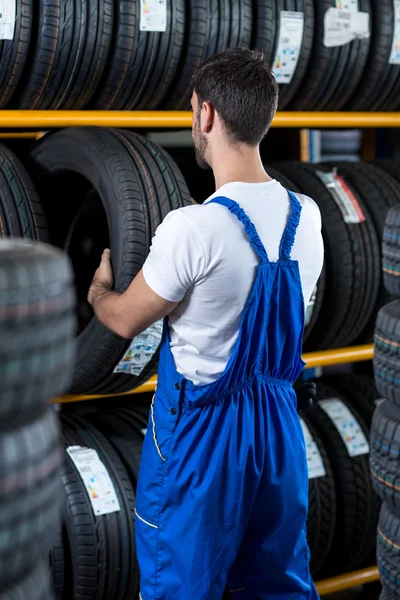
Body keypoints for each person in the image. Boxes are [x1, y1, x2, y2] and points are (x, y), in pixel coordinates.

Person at [88, 48, 324, 600]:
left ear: (208, 115)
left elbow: (125, 320)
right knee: (276, 583)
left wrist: (99, 289)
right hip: (278, 429)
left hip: (204, 440)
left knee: (183, 585)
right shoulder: (306, 216)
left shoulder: (192, 229)